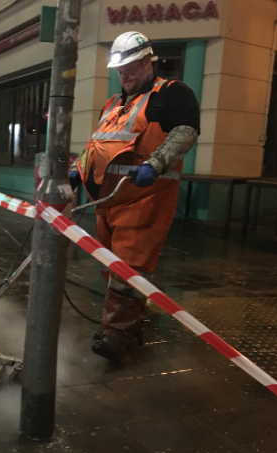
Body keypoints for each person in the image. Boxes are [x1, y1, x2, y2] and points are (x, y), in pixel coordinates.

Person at [69, 31, 200, 362]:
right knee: (112, 266)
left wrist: (156, 164)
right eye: (119, 69)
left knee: (129, 265)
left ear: (147, 62)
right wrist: (78, 168)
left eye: (129, 67)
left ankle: (119, 335)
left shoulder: (171, 94)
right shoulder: (114, 105)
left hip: (145, 198)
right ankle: (127, 322)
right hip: (108, 202)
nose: (123, 75)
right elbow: (96, 143)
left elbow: (186, 131)